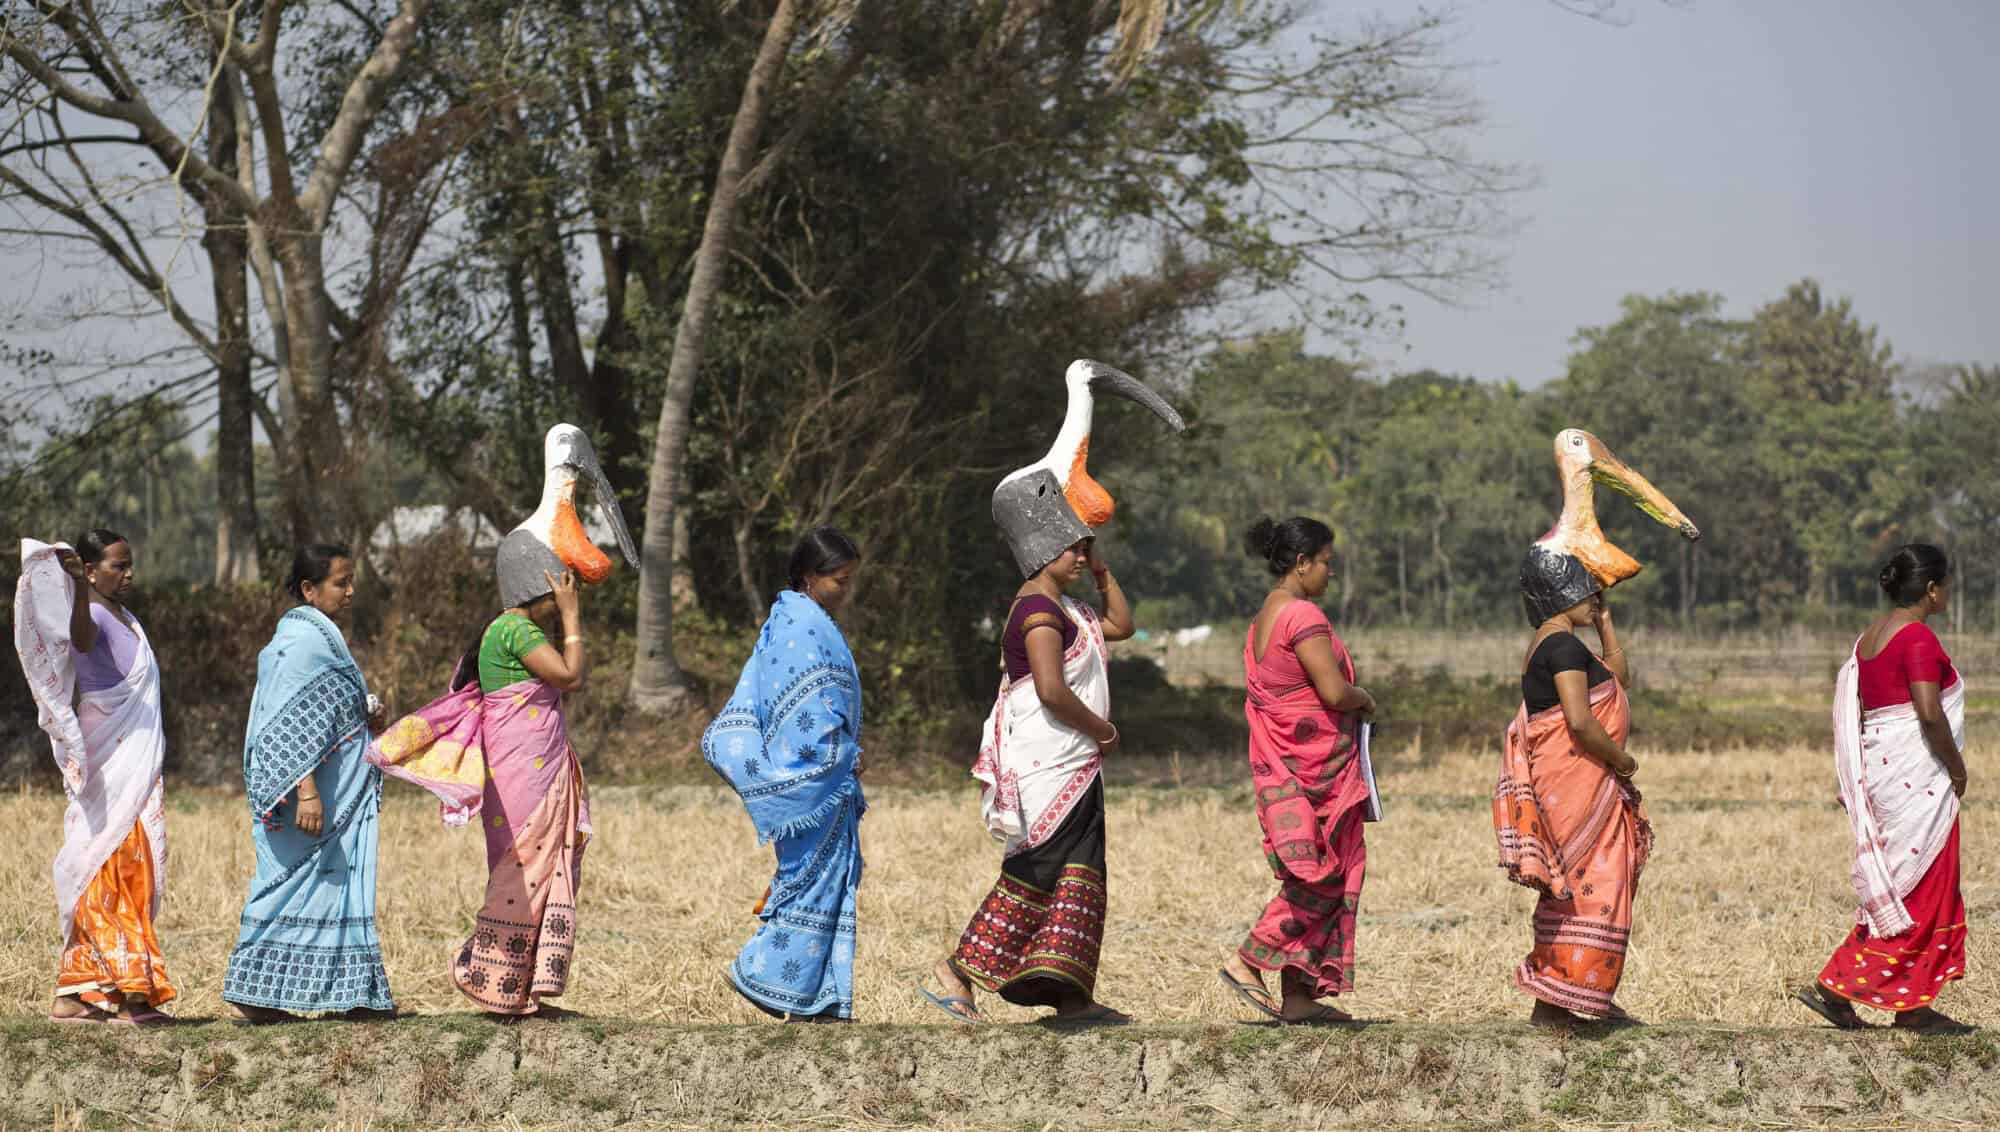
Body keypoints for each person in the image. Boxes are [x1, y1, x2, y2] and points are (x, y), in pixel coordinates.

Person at [921, 535, 1135, 1026]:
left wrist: (1103, 572)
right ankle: (958, 970)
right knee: (1040, 868)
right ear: (1041, 553)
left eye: (1085, 549)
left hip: (1074, 761)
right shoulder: (1037, 610)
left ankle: (1071, 997)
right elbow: (1051, 690)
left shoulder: (1070, 608)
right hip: (1050, 761)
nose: (1080, 558)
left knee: (1080, 873)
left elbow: (1122, 624)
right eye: (1072, 550)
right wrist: (1104, 731)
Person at [1796, 544, 1972, 1033]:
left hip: (1886, 775)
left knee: (1903, 884)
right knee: (1924, 885)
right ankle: (1837, 985)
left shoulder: (1869, 638)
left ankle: (1911, 1005)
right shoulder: (1916, 638)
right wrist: (1957, 771)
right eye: (1946, 586)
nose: (1948, 594)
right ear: (1932, 589)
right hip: (1916, 779)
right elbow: (1929, 714)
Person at [223, 544, 394, 1023]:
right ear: (308, 589)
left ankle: (350, 990)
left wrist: (368, 713)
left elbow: (325, 715)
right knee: (284, 887)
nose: (350, 591)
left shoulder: (323, 638)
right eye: (341, 582)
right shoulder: (300, 644)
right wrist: (307, 790)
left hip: (339, 795)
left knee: (337, 889)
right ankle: (252, 993)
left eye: (350, 580)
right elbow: (285, 724)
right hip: (310, 799)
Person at [703, 527, 866, 1022]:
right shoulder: (800, 627)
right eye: (840, 580)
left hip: (826, 780)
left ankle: (813, 999)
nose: (847, 590)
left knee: (824, 880)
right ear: (808, 577)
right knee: (808, 881)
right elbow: (807, 717)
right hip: (811, 779)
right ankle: (764, 974)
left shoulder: (795, 619)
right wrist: (841, 754)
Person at [1217, 517, 1375, 1024]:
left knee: (1316, 873)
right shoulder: (1301, 615)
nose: (1331, 572)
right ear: (1302, 562)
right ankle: (1247, 959)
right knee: (1322, 878)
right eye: (1326, 562)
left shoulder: (1264, 617)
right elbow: (1332, 692)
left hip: (1287, 768)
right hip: (1315, 776)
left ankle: (1299, 996)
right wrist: (1364, 698)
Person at [13, 531, 175, 1024]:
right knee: (117, 865)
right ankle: (130, 996)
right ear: (89, 571)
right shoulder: (91, 617)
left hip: (135, 761)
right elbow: (81, 639)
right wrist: (79, 591)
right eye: (116, 566)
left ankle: (76, 994)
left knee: (132, 866)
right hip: (112, 761)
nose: (127, 574)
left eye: (129, 565)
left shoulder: (126, 617)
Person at [1493, 549, 1650, 1028]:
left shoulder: (1561, 645)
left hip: (1577, 783)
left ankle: (1560, 998)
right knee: (1590, 884)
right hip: (1576, 785)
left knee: (1576, 886)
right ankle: (1557, 997)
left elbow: (1616, 682)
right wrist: (1622, 760)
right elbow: (1580, 722)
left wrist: (1604, 623)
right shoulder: (1560, 649)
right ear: (1558, 593)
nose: (1594, 596)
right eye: (1586, 588)